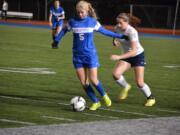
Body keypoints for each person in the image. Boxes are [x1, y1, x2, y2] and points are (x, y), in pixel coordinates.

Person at [54, 1, 128, 110]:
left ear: (87, 11)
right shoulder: (72, 22)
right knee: (84, 83)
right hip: (77, 56)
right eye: (78, 12)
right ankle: (95, 102)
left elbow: (105, 32)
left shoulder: (92, 22)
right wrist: (56, 40)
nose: (80, 14)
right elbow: (64, 31)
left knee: (93, 80)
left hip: (90, 55)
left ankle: (104, 95)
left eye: (82, 12)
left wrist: (120, 36)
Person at [110, 13, 156, 107]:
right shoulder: (117, 28)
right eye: (117, 23)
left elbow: (134, 51)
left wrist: (119, 57)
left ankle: (151, 98)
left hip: (137, 55)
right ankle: (126, 86)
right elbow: (115, 35)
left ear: (127, 22)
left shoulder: (132, 32)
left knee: (139, 82)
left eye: (120, 23)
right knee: (116, 74)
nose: (118, 25)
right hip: (127, 56)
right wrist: (114, 41)